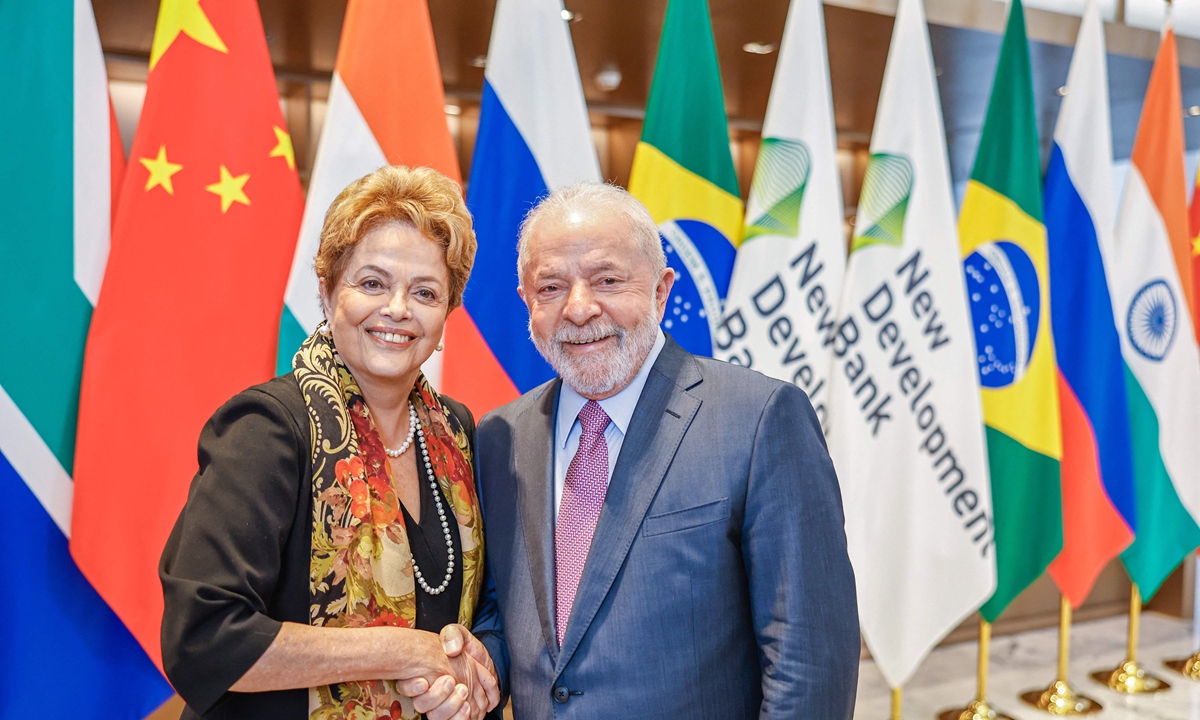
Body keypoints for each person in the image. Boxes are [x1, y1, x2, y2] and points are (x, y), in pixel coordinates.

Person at [468, 182, 861, 719]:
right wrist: (476, 663)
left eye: (607, 279)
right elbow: (498, 610)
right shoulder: (498, 438)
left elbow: (808, 661)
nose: (579, 309)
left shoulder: (760, 418)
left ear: (660, 289)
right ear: (527, 304)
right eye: (552, 287)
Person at [160, 165, 501, 720]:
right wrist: (404, 649)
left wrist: (462, 677)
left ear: (446, 314)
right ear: (327, 290)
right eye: (372, 283)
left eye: (425, 292)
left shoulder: (459, 433)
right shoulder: (267, 428)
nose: (397, 309)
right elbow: (205, 639)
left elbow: (484, 609)